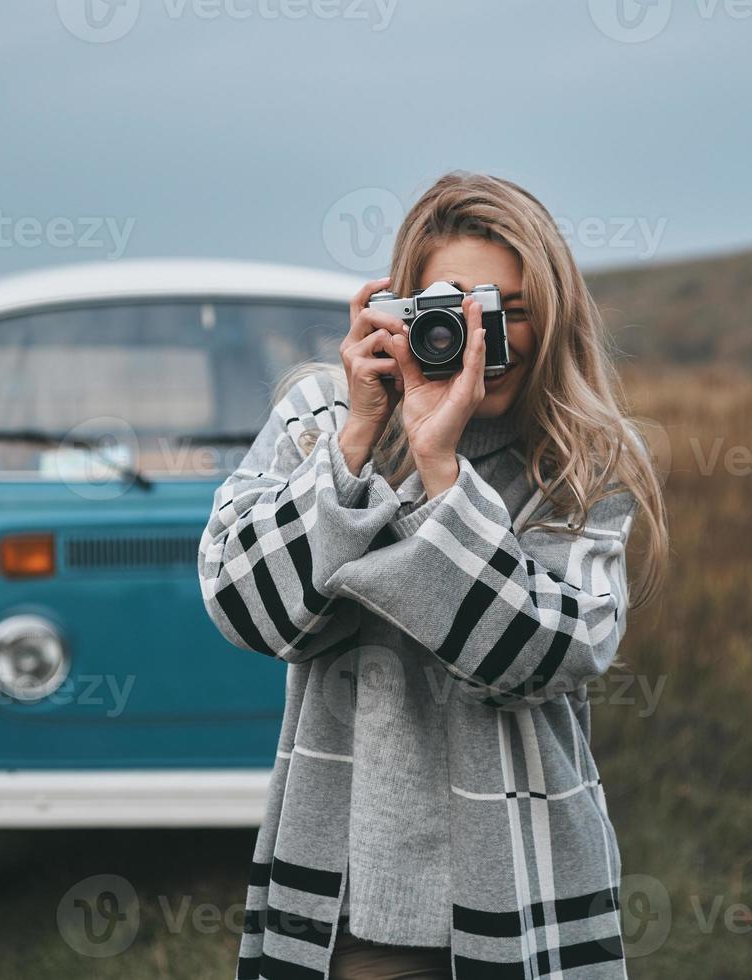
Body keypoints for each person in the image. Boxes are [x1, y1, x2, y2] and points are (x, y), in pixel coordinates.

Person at [197, 171, 669, 980]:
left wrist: (440, 471)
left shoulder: (583, 463)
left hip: (526, 888)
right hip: (346, 904)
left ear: (552, 317)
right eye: (454, 308)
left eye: (508, 311)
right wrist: (358, 445)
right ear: (403, 312)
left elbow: (547, 652)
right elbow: (244, 607)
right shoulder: (324, 417)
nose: (479, 338)